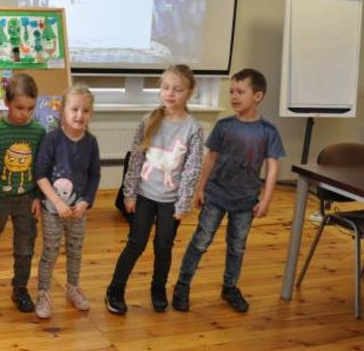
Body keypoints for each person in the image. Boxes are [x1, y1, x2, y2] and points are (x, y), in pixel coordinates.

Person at [172, 68, 285, 313]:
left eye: (240, 91)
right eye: (232, 91)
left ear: (258, 96)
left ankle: (230, 287)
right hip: (216, 196)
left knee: (237, 246)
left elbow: (272, 167)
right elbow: (210, 158)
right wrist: (200, 188)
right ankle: (182, 285)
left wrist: (266, 200)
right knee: (201, 241)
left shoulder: (268, 131)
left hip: (245, 201)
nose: (233, 96)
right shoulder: (224, 126)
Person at [105, 64, 204, 315]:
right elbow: (136, 159)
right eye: (166, 87)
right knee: (136, 243)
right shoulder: (149, 120)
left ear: (189, 93)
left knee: (163, 246)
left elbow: (192, 169)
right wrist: (129, 193)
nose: (170, 93)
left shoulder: (193, 128)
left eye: (178, 89)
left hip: (171, 201)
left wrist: (183, 203)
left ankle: (158, 289)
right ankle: (115, 289)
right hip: (144, 196)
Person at [0, 73, 46, 312]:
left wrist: (38, 197)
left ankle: (20, 288)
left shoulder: (39, 132)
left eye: (30, 108)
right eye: (19, 107)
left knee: (25, 248)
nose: (25, 113)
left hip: (27, 198)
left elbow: (41, 168)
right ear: (7, 102)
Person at [34, 83, 101, 319]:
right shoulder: (51, 139)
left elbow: (94, 175)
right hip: (53, 210)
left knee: (75, 251)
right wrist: (57, 202)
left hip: (78, 211)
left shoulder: (91, 142)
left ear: (91, 113)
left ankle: (73, 288)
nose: (80, 115)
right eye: (74, 109)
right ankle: (43, 293)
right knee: (50, 252)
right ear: (63, 110)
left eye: (85, 110)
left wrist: (86, 202)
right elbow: (40, 175)